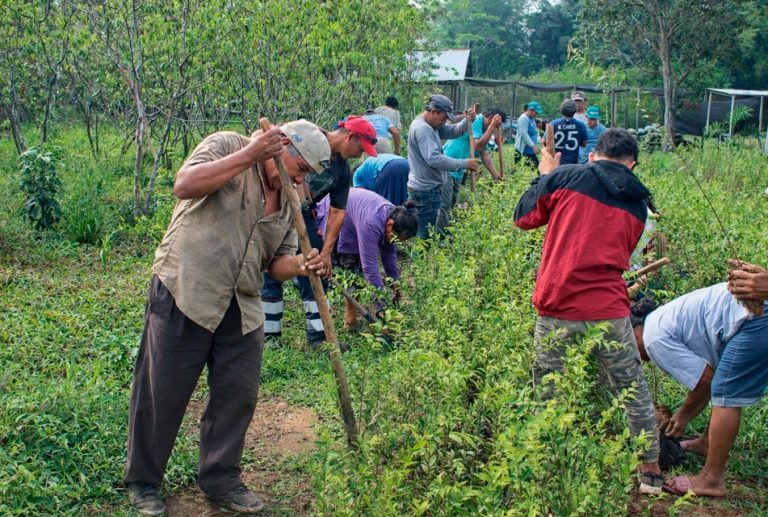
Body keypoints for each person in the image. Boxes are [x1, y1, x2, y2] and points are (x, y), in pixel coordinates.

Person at [124, 121, 331, 516]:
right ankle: (144, 481)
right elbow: (184, 184)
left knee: (237, 394)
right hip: (189, 286)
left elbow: (276, 264)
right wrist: (250, 155)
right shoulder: (227, 145)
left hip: (243, 300)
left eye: (306, 175)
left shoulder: (289, 197)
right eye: (300, 168)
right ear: (282, 144)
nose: (302, 180)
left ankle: (221, 478)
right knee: (162, 390)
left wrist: (302, 265)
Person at [514, 128, 663, 494]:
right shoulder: (640, 203)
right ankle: (650, 471)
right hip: (610, 308)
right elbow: (626, 251)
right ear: (632, 164)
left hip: (558, 304)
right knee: (630, 386)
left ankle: (545, 466)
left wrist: (546, 174)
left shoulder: (567, 177)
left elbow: (524, 217)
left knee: (548, 387)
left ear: (593, 155)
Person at [631, 264, 768, 498]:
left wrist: (683, 415)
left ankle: (711, 479)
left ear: (633, 333)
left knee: (724, 392)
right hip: (752, 312)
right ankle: (706, 443)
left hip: (755, 318)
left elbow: (705, 380)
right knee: (723, 385)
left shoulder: (653, 340)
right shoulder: (659, 319)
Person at [261, 116, 377, 349]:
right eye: (360, 148)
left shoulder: (342, 171)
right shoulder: (308, 135)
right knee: (269, 268)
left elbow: (338, 211)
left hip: (305, 214)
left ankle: (319, 338)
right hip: (274, 206)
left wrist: (326, 252)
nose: (359, 154)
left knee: (313, 270)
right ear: (351, 137)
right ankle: (269, 337)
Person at [316, 188, 418, 328]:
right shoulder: (371, 222)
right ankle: (349, 319)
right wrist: (383, 307)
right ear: (390, 225)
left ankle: (351, 319)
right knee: (352, 271)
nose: (396, 243)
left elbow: (389, 255)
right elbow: (370, 267)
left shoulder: (394, 216)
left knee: (355, 269)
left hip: (352, 215)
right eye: (396, 239)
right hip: (336, 215)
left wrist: (396, 285)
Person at [407, 94, 478, 239]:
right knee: (425, 235)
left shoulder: (432, 125)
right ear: (434, 112)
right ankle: (422, 261)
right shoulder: (423, 129)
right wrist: (464, 163)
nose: (444, 122)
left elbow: (453, 131)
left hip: (426, 188)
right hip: (425, 190)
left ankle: (424, 259)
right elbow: (434, 159)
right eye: (444, 118)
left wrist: (467, 120)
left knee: (426, 232)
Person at [438, 107, 505, 232]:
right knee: (445, 204)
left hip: (459, 167)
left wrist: (496, 175)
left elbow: (483, 153)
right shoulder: (476, 121)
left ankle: (445, 231)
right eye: (495, 126)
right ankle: (440, 237)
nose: (495, 131)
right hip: (449, 164)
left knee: (451, 202)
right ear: (491, 119)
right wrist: (492, 127)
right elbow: (477, 145)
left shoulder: (481, 127)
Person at [550, 99, 588, 165]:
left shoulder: (553, 124)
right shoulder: (581, 125)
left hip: (557, 162)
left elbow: (545, 142)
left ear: (561, 110)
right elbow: (584, 144)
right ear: (574, 110)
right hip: (573, 163)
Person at [514, 101, 544, 170]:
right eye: (536, 112)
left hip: (530, 151)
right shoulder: (523, 118)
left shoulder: (532, 119)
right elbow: (524, 134)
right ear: (530, 110)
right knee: (519, 170)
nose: (537, 114)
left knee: (537, 169)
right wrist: (533, 146)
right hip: (523, 151)